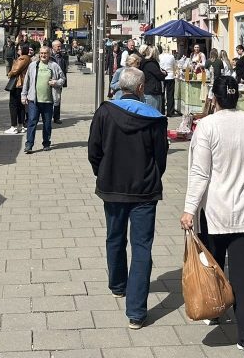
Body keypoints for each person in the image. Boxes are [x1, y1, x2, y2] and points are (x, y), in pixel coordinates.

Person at [180, 75, 244, 357]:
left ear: (214, 98)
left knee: (213, 267)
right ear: (236, 97)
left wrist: (189, 209)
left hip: (215, 212)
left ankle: (215, 310)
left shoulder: (207, 126)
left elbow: (200, 173)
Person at [88, 66, 168, 330]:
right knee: (142, 246)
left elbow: (94, 150)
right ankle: (136, 312)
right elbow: (161, 157)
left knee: (115, 236)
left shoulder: (104, 112)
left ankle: (118, 285)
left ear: (120, 87)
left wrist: (102, 172)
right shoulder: (155, 118)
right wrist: (153, 175)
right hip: (144, 189)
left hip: (112, 186)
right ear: (141, 88)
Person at [21, 46, 65, 154]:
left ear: (49, 54)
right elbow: (26, 81)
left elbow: (63, 79)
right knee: (32, 122)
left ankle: (46, 144)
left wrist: (56, 82)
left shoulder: (54, 66)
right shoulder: (33, 65)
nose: (43, 55)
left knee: (47, 124)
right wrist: (23, 95)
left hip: (48, 101)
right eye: (41, 53)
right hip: (34, 100)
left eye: (45, 53)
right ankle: (29, 145)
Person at [5, 46, 33, 134]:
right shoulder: (28, 58)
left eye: (19, 49)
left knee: (13, 105)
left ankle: (13, 127)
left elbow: (15, 70)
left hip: (18, 84)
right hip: (23, 84)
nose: (18, 50)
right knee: (21, 106)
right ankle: (21, 125)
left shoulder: (22, 58)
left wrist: (9, 74)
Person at [139, 45, 166, 114]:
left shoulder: (147, 62)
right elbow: (160, 76)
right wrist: (164, 73)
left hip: (150, 90)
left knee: (152, 113)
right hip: (152, 91)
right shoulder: (150, 64)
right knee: (153, 113)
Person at [51, 39, 69, 123]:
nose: (59, 48)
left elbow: (64, 69)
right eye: (58, 46)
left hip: (59, 81)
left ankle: (56, 117)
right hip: (50, 81)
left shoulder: (62, 56)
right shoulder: (49, 56)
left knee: (57, 99)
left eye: (60, 46)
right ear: (53, 47)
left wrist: (64, 82)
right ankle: (47, 116)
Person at [159, 44, 177, 116]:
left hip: (162, 76)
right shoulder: (171, 57)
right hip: (170, 76)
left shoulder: (160, 56)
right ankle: (170, 112)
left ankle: (162, 111)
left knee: (162, 94)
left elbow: (159, 66)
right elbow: (174, 66)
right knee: (170, 94)